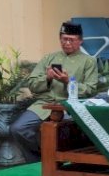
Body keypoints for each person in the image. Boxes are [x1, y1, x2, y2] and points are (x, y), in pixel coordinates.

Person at [9, 22, 98, 162]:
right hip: (44, 104)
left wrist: (68, 82)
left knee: (68, 134)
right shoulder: (49, 58)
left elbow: (90, 90)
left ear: (80, 41)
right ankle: (38, 160)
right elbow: (32, 84)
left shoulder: (89, 61)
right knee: (17, 128)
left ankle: (63, 163)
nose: (67, 43)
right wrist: (48, 77)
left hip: (71, 106)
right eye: (64, 39)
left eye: (71, 39)